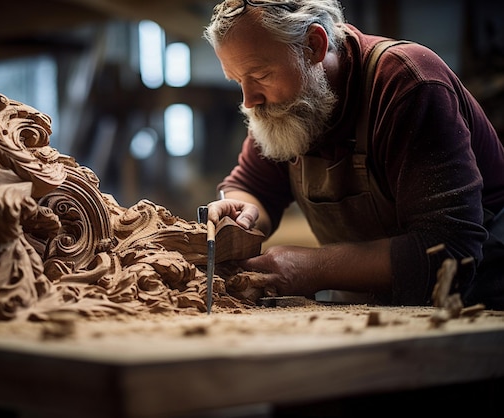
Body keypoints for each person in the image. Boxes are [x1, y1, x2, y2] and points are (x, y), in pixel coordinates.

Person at [203, 0, 504, 309]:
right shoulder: (280, 105)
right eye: (238, 80)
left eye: (261, 75)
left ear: (313, 45)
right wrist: (243, 213)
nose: (249, 100)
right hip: (370, 304)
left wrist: (313, 267)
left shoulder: (408, 83)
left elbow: (450, 248)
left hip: (477, 297)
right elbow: (252, 187)